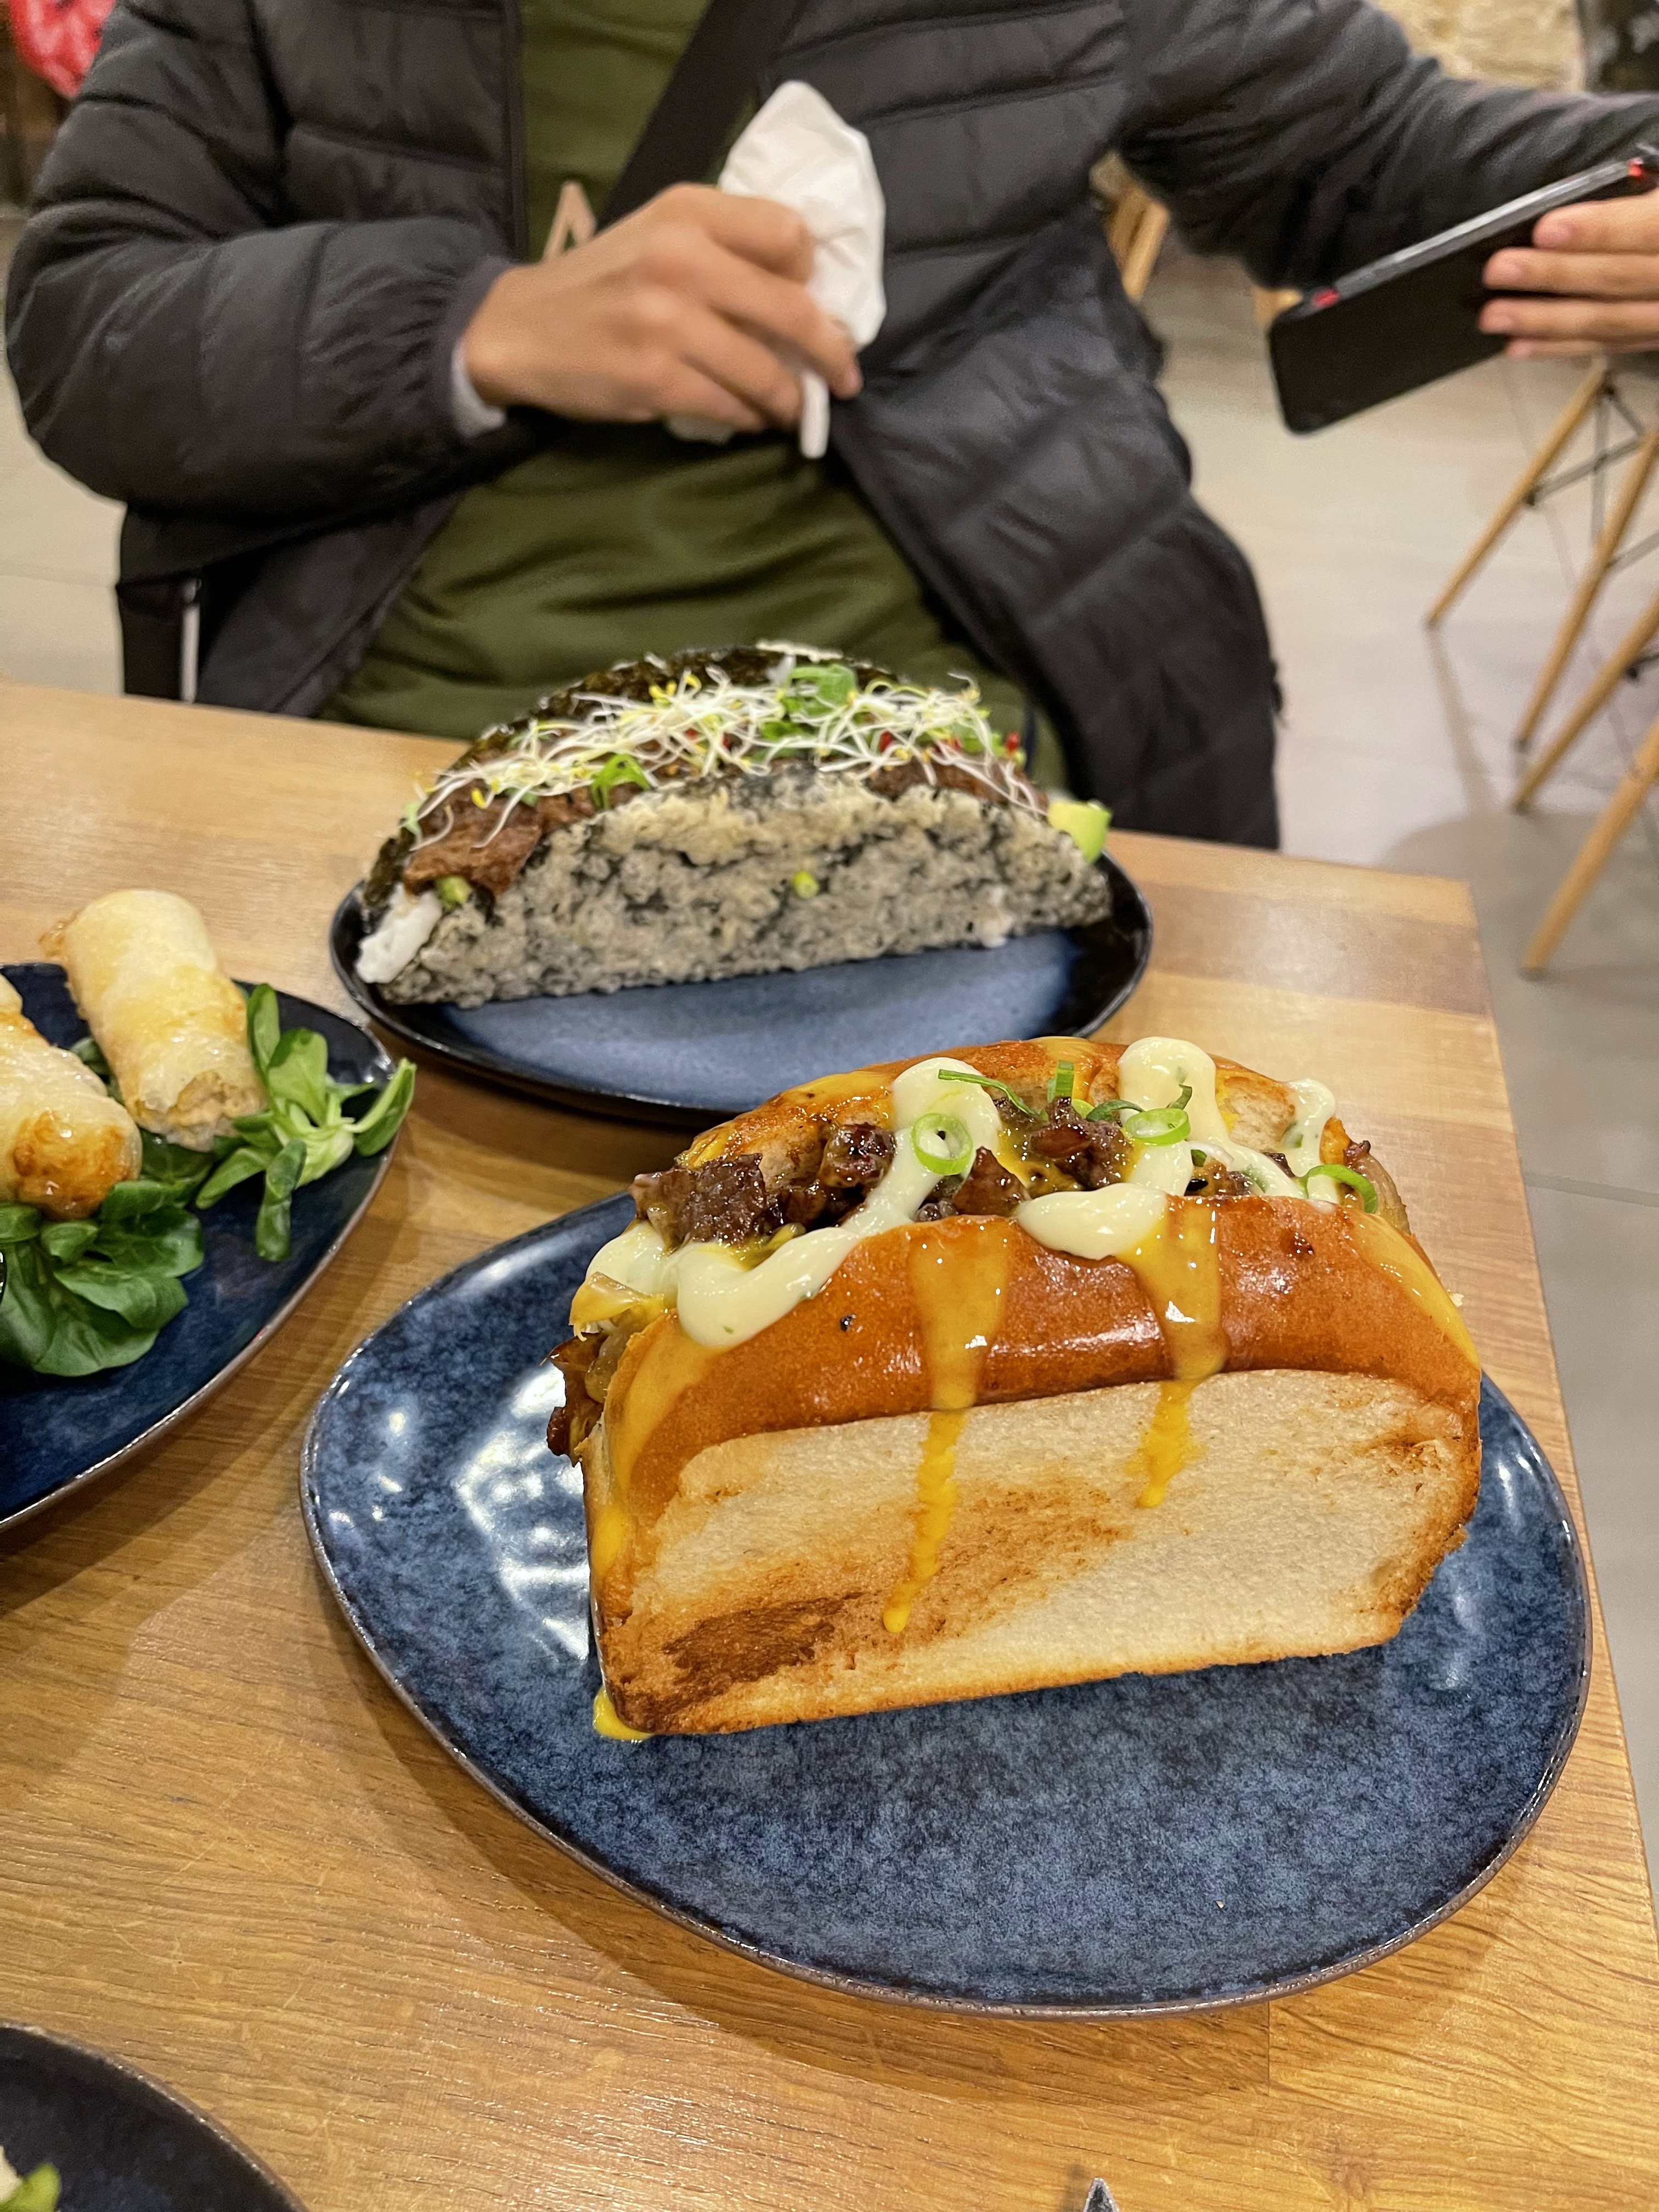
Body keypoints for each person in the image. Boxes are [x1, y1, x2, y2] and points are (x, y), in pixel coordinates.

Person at [9, 0, 1659, 848]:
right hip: (409, 765)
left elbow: (1378, 157)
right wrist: (482, 326)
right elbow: (86, 326)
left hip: (946, 771)